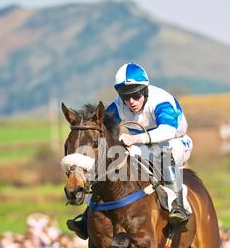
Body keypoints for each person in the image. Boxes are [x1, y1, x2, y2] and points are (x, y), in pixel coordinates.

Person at [67, 62, 193, 239]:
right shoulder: (120, 105)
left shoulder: (161, 100)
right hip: (143, 146)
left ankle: (178, 206)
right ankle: (89, 213)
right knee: (113, 159)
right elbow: (100, 124)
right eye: (126, 97)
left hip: (176, 143)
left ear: (145, 90)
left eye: (136, 95)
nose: (131, 102)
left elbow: (168, 130)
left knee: (165, 155)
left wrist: (136, 139)